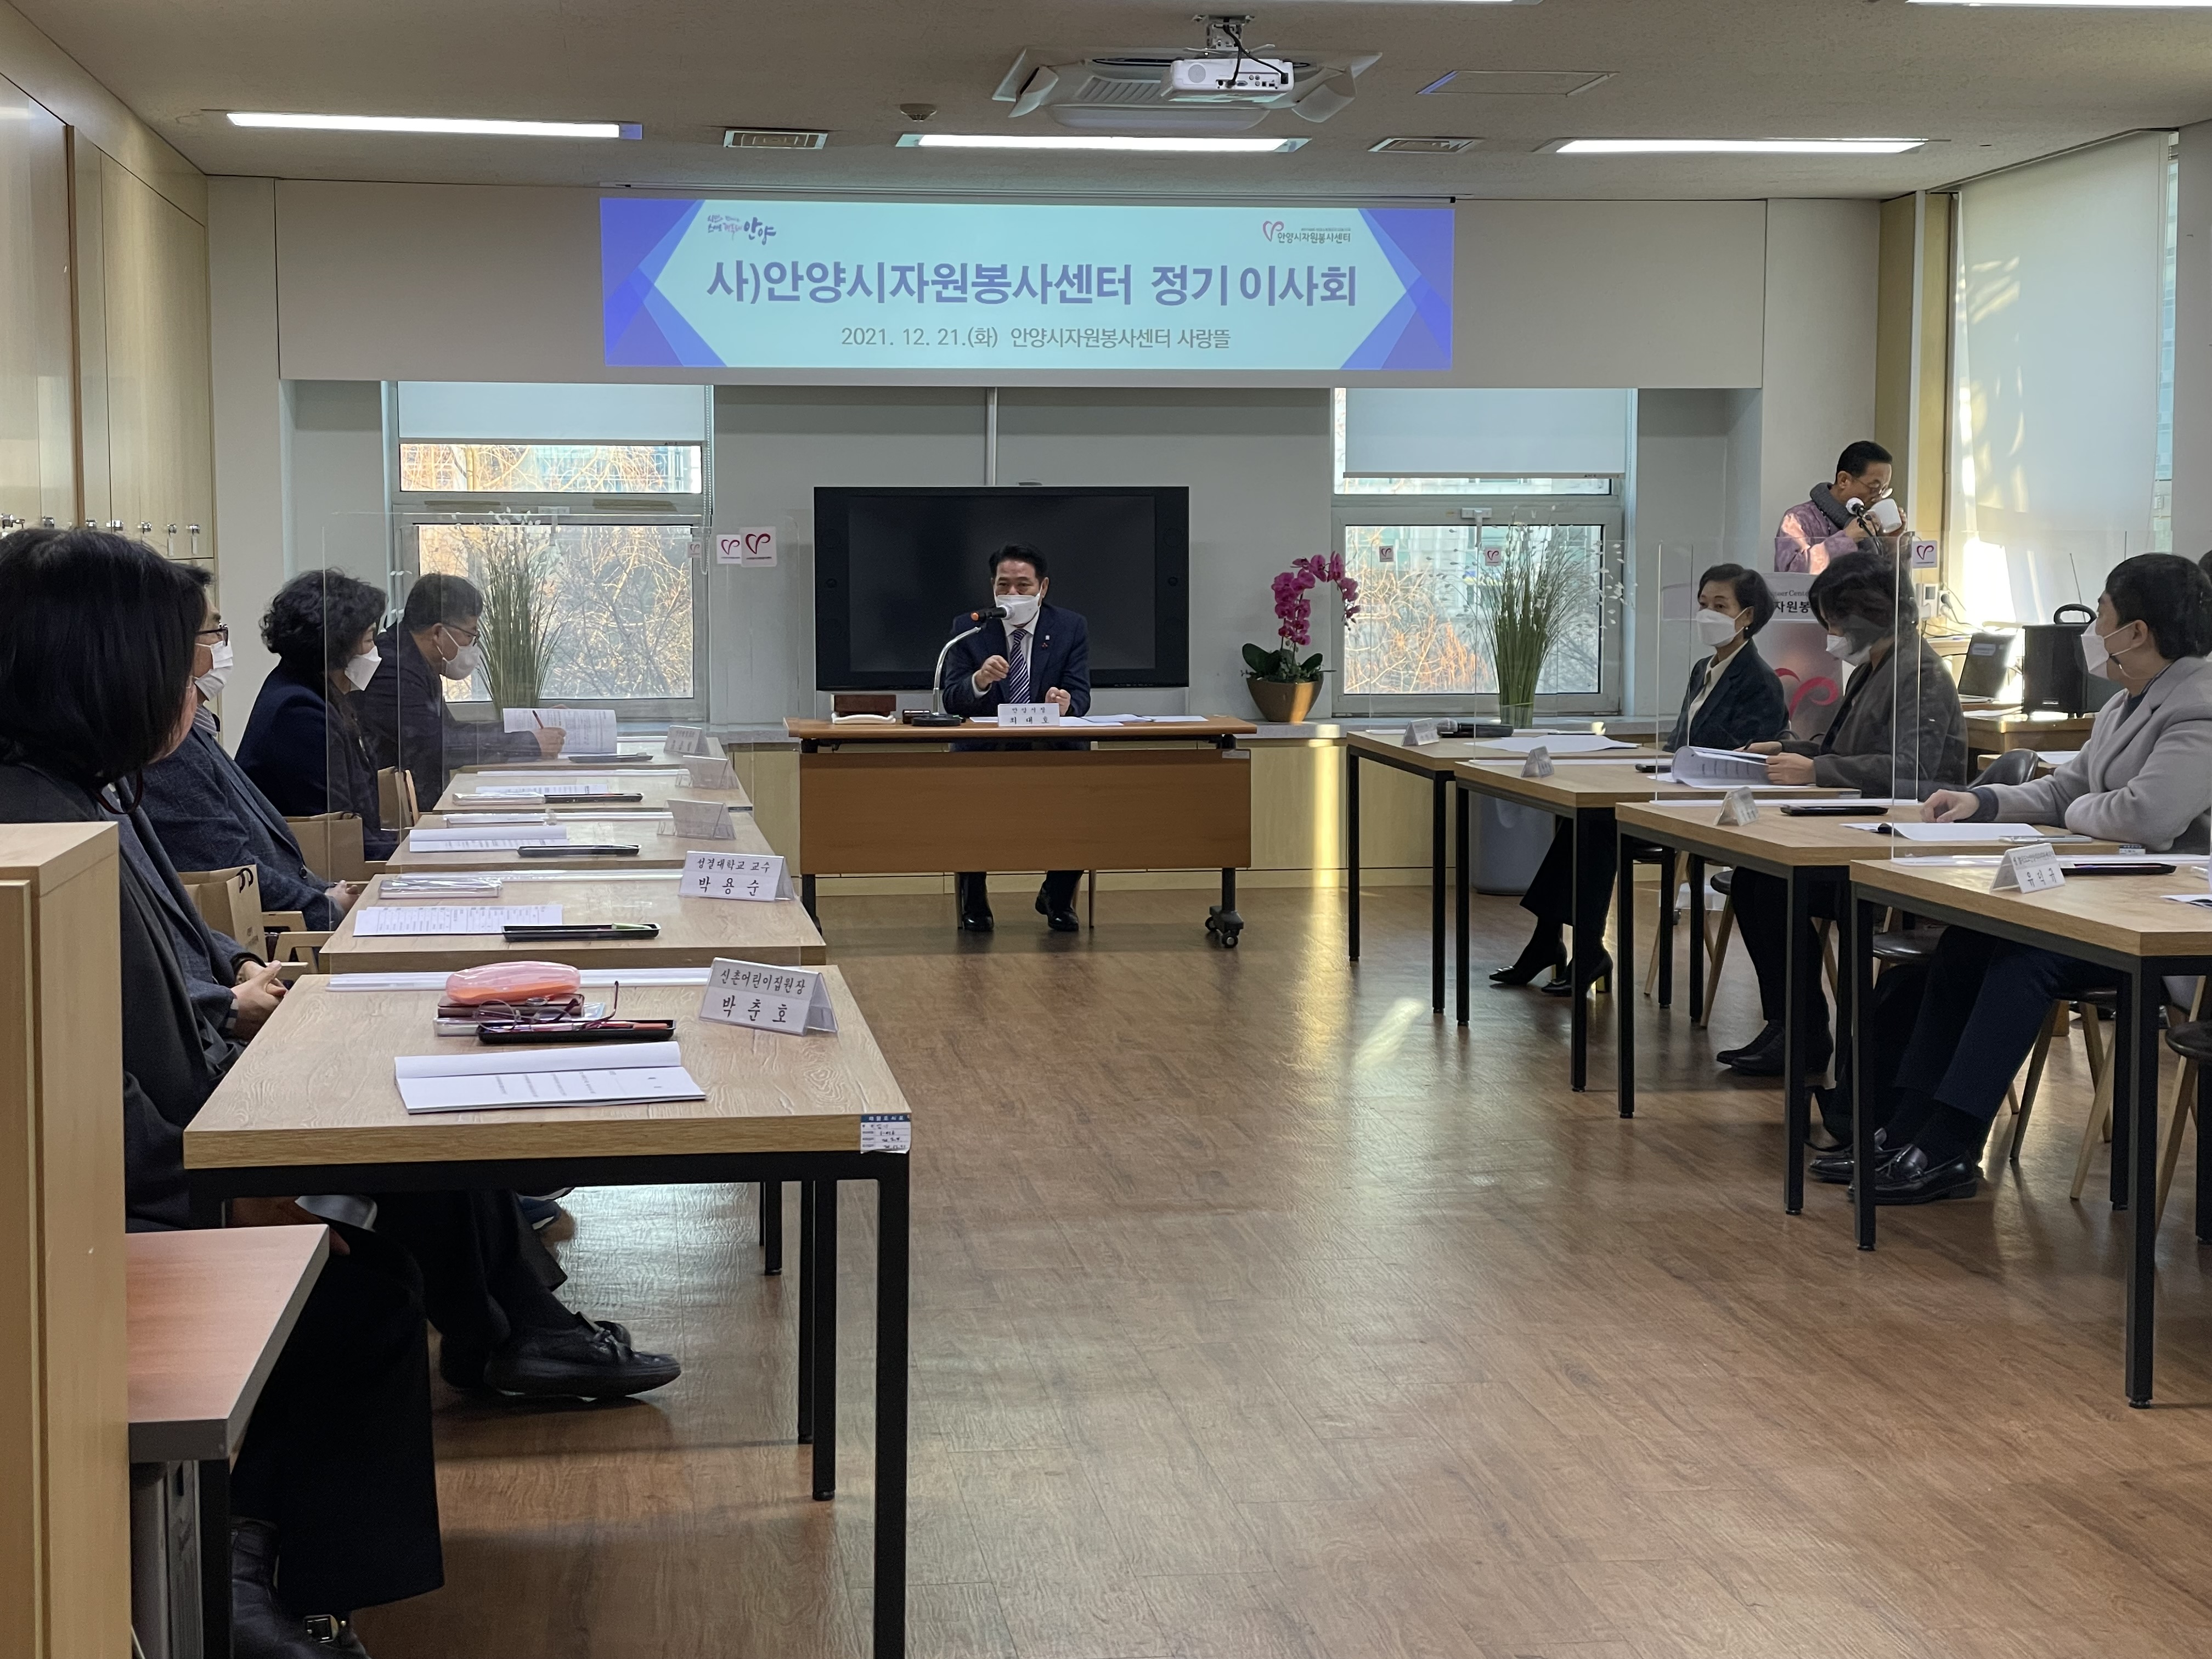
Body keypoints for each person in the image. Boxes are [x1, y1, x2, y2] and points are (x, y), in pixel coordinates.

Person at [1818, 554, 2212, 1203]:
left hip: (2161, 923)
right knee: (1968, 943)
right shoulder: (2126, 703)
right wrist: (1982, 802)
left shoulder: (2198, 705)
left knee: (2024, 960)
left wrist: (2079, 812)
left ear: (2137, 631)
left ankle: (1950, 1144)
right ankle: (1909, 1125)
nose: (2094, 629)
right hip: (2102, 898)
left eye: (2102, 614)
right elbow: (2064, 789)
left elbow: (2149, 815)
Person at [1718, 550, 1966, 1077]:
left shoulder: (1919, 673)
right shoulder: (1873, 669)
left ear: (1865, 615)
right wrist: (1790, 750)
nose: (1829, 633)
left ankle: (1805, 1032)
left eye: (1834, 620)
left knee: (1772, 889)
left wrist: (1816, 770)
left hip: (1900, 839)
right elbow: (1843, 752)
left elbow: (1910, 770)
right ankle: (1794, 1024)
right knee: (1756, 882)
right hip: (1854, 825)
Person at [1493, 565, 1788, 989]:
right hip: (1677, 790)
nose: (1707, 614)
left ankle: (1580, 950)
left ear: (1748, 616)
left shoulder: (1761, 681)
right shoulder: (1703, 669)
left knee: (1596, 826)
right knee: (1582, 818)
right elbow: (1679, 743)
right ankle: (1554, 943)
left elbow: (1742, 764)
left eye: (1720, 606)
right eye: (1703, 604)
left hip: (1713, 807)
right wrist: (1655, 766)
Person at [140, 567, 361, 932]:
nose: (222, 642)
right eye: (214, 631)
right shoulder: (166, 749)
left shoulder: (191, 728)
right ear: (174, 643)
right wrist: (327, 905)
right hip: (275, 935)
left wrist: (325, 893)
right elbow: (231, 867)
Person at [938, 544, 1092, 932]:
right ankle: (974, 900)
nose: (1012, 594)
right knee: (971, 810)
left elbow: (1081, 695)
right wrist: (979, 680)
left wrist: (1065, 703)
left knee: (1083, 796)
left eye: (1023, 586)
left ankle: (1058, 896)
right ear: (992, 586)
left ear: (1043, 588)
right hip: (986, 750)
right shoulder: (970, 628)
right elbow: (953, 699)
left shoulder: (1070, 626)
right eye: (1003, 585)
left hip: (1051, 747)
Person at [359, 572, 558, 811]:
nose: (472, 644)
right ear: (438, 633)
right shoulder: (393, 669)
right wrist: (527, 742)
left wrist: (525, 725)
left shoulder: (415, 660)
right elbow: (438, 745)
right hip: (397, 815)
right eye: (470, 635)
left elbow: (451, 731)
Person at [238, 569, 400, 860]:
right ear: (338, 646)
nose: (374, 651)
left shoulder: (312, 691)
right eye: (369, 639)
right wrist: (414, 852)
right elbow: (336, 834)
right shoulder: (299, 712)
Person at [1775, 441, 1906, 574]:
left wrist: (1892, 544)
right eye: (1874, 487)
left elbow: (1887, 581)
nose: (1878, 497)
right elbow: (1790, 573)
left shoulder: (1870, 520)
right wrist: (1846, 539)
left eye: (1884, 490)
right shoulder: (1799, 519)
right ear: (1844, 480)